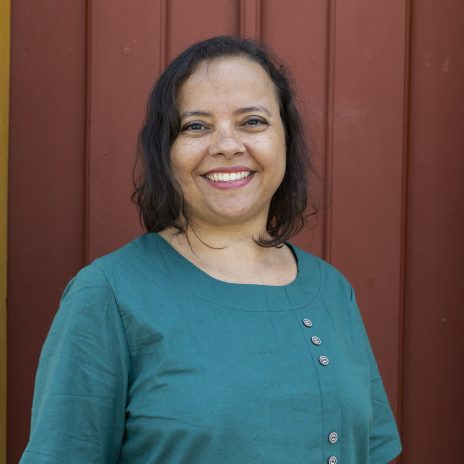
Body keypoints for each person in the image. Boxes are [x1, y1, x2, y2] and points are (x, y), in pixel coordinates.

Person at [20, 36, 401, 464]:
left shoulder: (331, 290)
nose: (226, 145)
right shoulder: (110, 294)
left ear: (286, 138)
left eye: (252, 121)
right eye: (196, 126)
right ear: (165, 151)